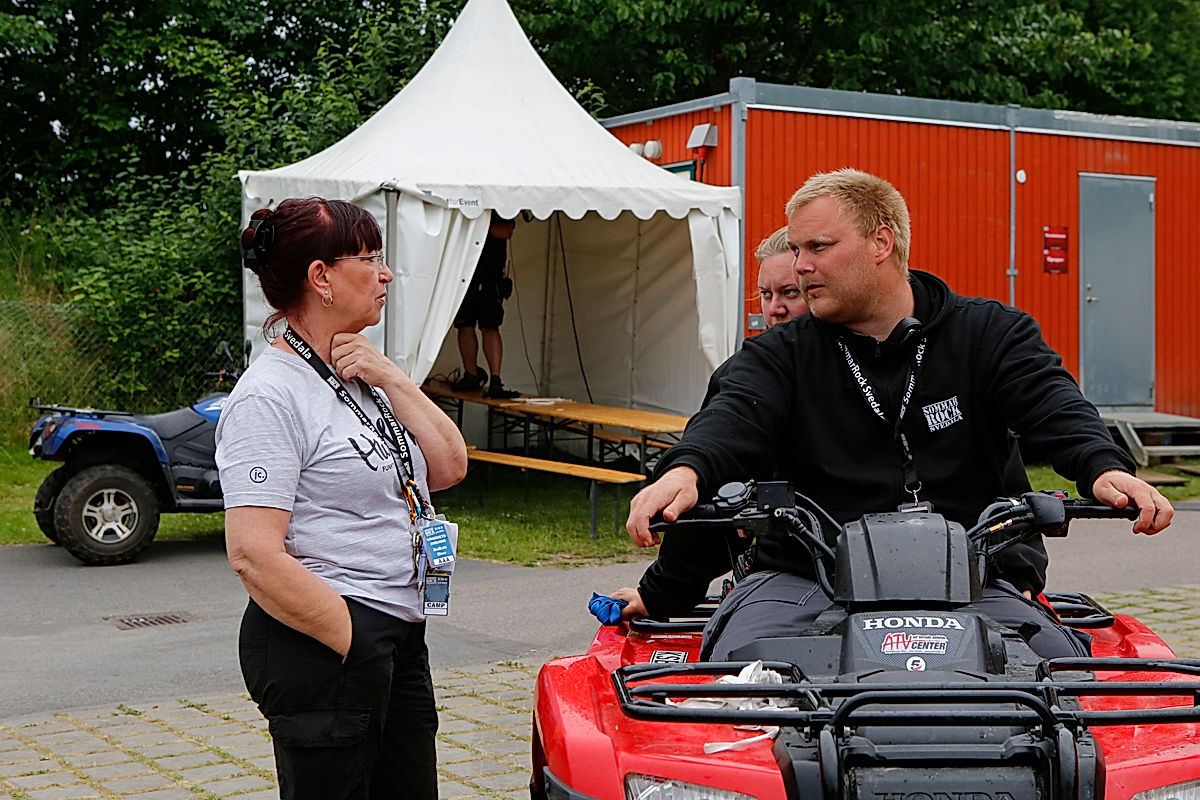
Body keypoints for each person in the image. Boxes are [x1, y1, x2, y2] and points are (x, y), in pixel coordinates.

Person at [624, 168, 1173, 660]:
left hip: (973, 580)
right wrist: (686, 470)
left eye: (817, 246)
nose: (800, 265)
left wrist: (1104, 466)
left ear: (880, 242)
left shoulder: (989, 335)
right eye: (796, 249)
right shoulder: (779, 355)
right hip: (803, 580)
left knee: (1060, 675)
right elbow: (731, 419)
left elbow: (1052, 402)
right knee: (744, 679)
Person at [216, 197, 468, 800]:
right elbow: (253, 554)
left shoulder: (355, 372)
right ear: (321, 277)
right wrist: (354, 637)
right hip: (329, 644)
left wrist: (393, 378)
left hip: (397, 633)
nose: (385, 273)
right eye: (371, 257)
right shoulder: (270, 396)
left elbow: (450, 466)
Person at [614, 227, 809, 620]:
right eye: (766, 295)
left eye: (790, 293)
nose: (775, 308)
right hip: (777, 582)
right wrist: (662, 592)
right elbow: (713, 478)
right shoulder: (739, 375)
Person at [450, 211, 520, 399]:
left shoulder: (498, 205)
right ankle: (470, 374)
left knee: (490, 326)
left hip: (491, 278)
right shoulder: (464, 204)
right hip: (466, 275)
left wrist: (479, 221)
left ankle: (496, 380)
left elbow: (506, 232)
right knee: (464, 325)